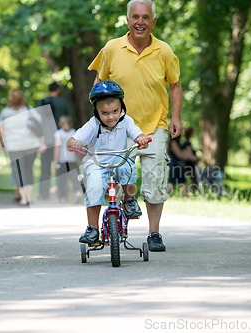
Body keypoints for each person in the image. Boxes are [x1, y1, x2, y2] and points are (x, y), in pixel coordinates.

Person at [88, 0, 183, 251]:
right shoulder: (111, 48)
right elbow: (99, 83)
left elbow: (174, 85)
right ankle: (115, 227)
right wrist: (97, 118)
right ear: (128, 20)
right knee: (117, 179)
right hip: (117, 129)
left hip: (154, 127)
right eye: (135, 17)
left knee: (155, 181)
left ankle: (154, 233)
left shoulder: (164, 51)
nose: (140, 22)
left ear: (153, 22)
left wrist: (176, 117)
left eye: (145, 17)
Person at [67, 81, 149, 244]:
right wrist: (73, 142)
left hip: (119, 159)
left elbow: (136, 133)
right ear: (96, 111)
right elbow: (76, 138)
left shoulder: (126, 121)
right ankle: (92, 228)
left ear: (121, 108)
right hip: (96, 162)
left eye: (115, 111)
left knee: (129, 169)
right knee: (95, 187)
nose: (111, 117)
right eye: (104, 113)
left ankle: (129, 201)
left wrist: (141, 138)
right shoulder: (93, 124)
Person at [0, 89, 46, 206]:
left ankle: (24, 198)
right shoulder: (29, 110)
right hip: (31, 145)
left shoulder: (4, 112)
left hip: (13, 146)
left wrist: (2, 143)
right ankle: (29, 196)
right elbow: (39, 126)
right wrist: (42, 143)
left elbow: (1, 129)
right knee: (29, 170)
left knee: (18, 172)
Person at [36, 82, 73, 200]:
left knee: (45, 169)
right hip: (61, 141)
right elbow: (71, 118)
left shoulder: (41, 103)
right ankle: (62, 194)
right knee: (62, 168)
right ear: (58, 90)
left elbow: (36, 123)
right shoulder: (63, 103)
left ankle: (43, 194)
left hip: (46, 141)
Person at [53, 115, 81, 204]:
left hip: (62, 160)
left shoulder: (58, 133)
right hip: (72, 160)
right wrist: (78, 158)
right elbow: (77, 147)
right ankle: (77, 193)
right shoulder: (74, 132)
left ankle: (62, 197)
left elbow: (57, 148)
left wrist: (55, 160)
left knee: (61, 180)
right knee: (74, 178)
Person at [167, 127, 200, 196]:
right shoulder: (173, 143)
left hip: (178, 165)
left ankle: (167, 195)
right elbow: (180, 155)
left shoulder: (176, 143)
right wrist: (190, 157)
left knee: (178, 182)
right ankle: (184, 196)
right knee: (176, 182)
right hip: (175, 165)